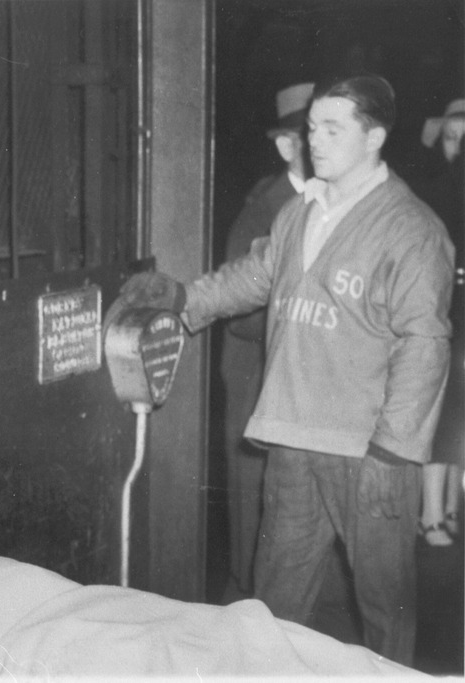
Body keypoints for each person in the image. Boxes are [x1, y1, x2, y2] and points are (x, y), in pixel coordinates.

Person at [111, 73, 454, 666]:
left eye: (332, 129)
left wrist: (394, 451)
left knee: (384, 607)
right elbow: (252, 278)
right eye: (312, 127)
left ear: (374, 137)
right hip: (293, 435)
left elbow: (425, 343)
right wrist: (183, 299)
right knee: (276, 600)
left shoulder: (411, 228)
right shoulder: (301, 211)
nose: (314, 140)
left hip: (367, 450)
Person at [219, 81, 313, 593]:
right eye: (312, 134)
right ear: (284, 145)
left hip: (301, 390)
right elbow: (240, 316)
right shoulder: (263, 210)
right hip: (259, 386)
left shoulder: (332, 206)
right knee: (255, 522)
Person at [416, 98, 465, 546]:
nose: (458, 148)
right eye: (452, 138)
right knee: (444, 406)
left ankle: (450, 505)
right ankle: (429, 513)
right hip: (442, 307)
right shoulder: (432, 190)